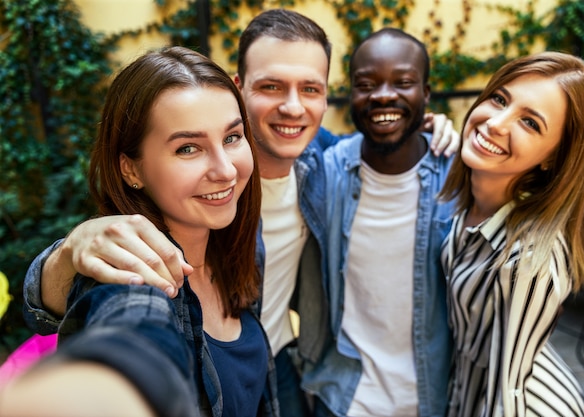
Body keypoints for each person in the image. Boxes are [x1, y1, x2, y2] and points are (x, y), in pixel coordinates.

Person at [21, 9, 459, 417]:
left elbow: (383, 142)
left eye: (311, 89)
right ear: (239, 87)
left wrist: (422, 124)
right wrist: (66, 254)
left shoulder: (323, 162)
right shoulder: (145, 256)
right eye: (271, 87)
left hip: (273, 360)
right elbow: (124, 324)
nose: (293, 107)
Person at [4, 46, 278, 417]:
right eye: (188, 148)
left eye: (232, 137)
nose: (226, 170)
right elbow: (132, 339)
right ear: (130, 169)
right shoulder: (131, 276)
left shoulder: (240, 237)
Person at [438, 51, 584, 416]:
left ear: (553, 158)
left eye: (530, 123)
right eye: (499, 98)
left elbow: (507, 393)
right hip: (467, 391)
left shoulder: (529, 259)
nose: (496, 122)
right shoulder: (475, 202)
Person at [302, 28, 455, 417]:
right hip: (344, 398)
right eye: (366, 84)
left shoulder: (461, 178)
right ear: (350, 93)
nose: (383, 95)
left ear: (427, 93)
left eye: (403, 82)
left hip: (433, 398)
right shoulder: (326, 172)